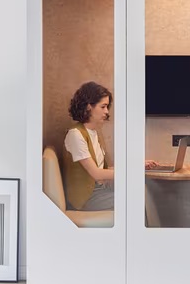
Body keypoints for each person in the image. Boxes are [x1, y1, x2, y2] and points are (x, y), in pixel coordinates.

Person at [63, 81, 157, 212]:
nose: (107, 112)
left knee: (142, 190)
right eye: (103, 107)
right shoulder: (75, 135)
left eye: (107, 107)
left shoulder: (93, 133)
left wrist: (137, 165)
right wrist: (132, 172)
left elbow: (104, 169)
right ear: (89, 107)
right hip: (86, 198)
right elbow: (96, 173)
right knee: (138, 197)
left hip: (99, 190)